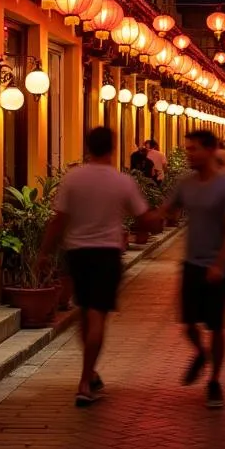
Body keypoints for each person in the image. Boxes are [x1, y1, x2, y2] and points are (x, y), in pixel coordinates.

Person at [39, 126, 148, 407]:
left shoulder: (73, 178)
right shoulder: (121, 181)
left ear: (88, 146)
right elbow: (144, 218)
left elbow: (58, 219)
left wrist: (44, 252)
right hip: (106, 254)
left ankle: (91, 372)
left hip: (77, 254)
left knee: (85, 312)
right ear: (113, 147)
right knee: (97, 316)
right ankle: (85, 382)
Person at [157, 129, 225, 409]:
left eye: (194, 149)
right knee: (187, 324)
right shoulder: (185, 184)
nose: (189, 154)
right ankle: (201, 354)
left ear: (210, 150)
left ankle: (215, 380)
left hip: (219, 268)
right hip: (192, 264)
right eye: (188, 149)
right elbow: (167, 210)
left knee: (216, 327)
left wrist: (220, 265)